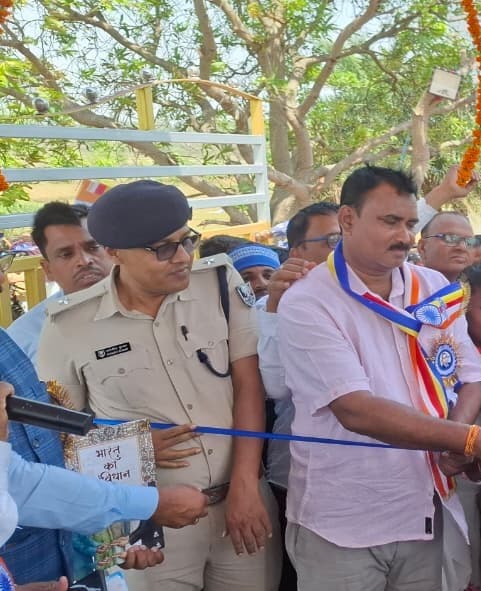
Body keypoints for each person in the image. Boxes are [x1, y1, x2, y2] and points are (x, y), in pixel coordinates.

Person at [276, 166, 481, 591]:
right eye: (389, 222)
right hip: (344, 522)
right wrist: (472, 441)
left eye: (409, 224)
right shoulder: (309, 301)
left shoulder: (431, 286)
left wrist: (456, 435)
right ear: (347, 219)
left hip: (426, 505)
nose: (403, 236)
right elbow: (356, 410)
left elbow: (471, 375)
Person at [36, 180, 281, 590]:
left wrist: (245, 486)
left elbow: (249, 387)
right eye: (162, 249)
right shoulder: (68, 327)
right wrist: (133, 446)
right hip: (147, 526)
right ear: (115, 253)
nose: (182, 257)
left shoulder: (220, 286)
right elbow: (57, 438)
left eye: (186, 241)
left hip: (242, 502)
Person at [0, 329, 209, 586]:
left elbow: (39, 462)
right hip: (17, 566)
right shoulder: (55, 328)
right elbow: (18, 483)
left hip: (63, 561)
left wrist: (119, 535)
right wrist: (146, 504)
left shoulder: (4, 341)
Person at [256, 200, 342, 591]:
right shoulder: (263, 309)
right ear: (297, 252)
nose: (345, 249)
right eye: (333, 240)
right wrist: (276, 304)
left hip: (371, 480)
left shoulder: (384, 302)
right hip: (297, 480)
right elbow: (275, 387)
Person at [7, 202, 111, 362]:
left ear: (114, 251)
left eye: (93, 247)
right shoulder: (23, 338)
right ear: (48, 269)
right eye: (66, 254)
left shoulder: (153, 307)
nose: (84, 261)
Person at [417, 211, 477, 283]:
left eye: (469, 241)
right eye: (450, 238)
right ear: (423, 247)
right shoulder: (405, 287)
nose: (462, 247)